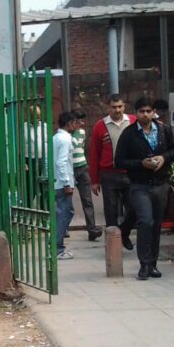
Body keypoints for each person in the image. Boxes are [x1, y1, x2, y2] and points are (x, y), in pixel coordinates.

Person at [114, 97, 174, 281]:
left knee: (156, 225)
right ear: (136, 113)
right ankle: (144, 264)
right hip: (139, 185)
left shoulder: (164, 130)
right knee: (145, 221)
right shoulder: (129, 134)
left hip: (161, 184)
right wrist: (141, 163)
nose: (145, 115)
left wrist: (163, 158)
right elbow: (119, 161)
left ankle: (153, 263)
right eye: (141, 111)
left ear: (153, 112)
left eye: (148, 111)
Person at [88, 94, 136, 248]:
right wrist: (94, 180)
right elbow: (94, 154)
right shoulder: (100, 126)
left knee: (134, 208)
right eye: (114, 107)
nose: (117, 110)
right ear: (108, 108)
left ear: (124, 107)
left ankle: (124, 233)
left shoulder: (133, 122)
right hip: (109, 174)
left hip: (131, 173)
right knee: (111, 212)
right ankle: (112, 245)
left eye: (120, 106)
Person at [70, 110, 101, 240]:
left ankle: (92, 229)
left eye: (82, 121)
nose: (81, 124)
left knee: (87, 200)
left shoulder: (82, 133)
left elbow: (80, 148)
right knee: (66, 202)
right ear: (72, 122)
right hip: (70, 169)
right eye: (78, 121)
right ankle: (64, 228)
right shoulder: (64, 135)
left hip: (82, 168)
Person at [52, 112, 77, 260]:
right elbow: (61, 162)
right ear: (69, 123)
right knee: (64, 214)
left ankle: (55, 241)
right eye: (74, 122)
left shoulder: (56, 137)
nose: (76, 125)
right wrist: (67, 182)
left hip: (57, 181)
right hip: (62, 183)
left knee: (65, 213)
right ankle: (57, 248)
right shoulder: (65, 139)